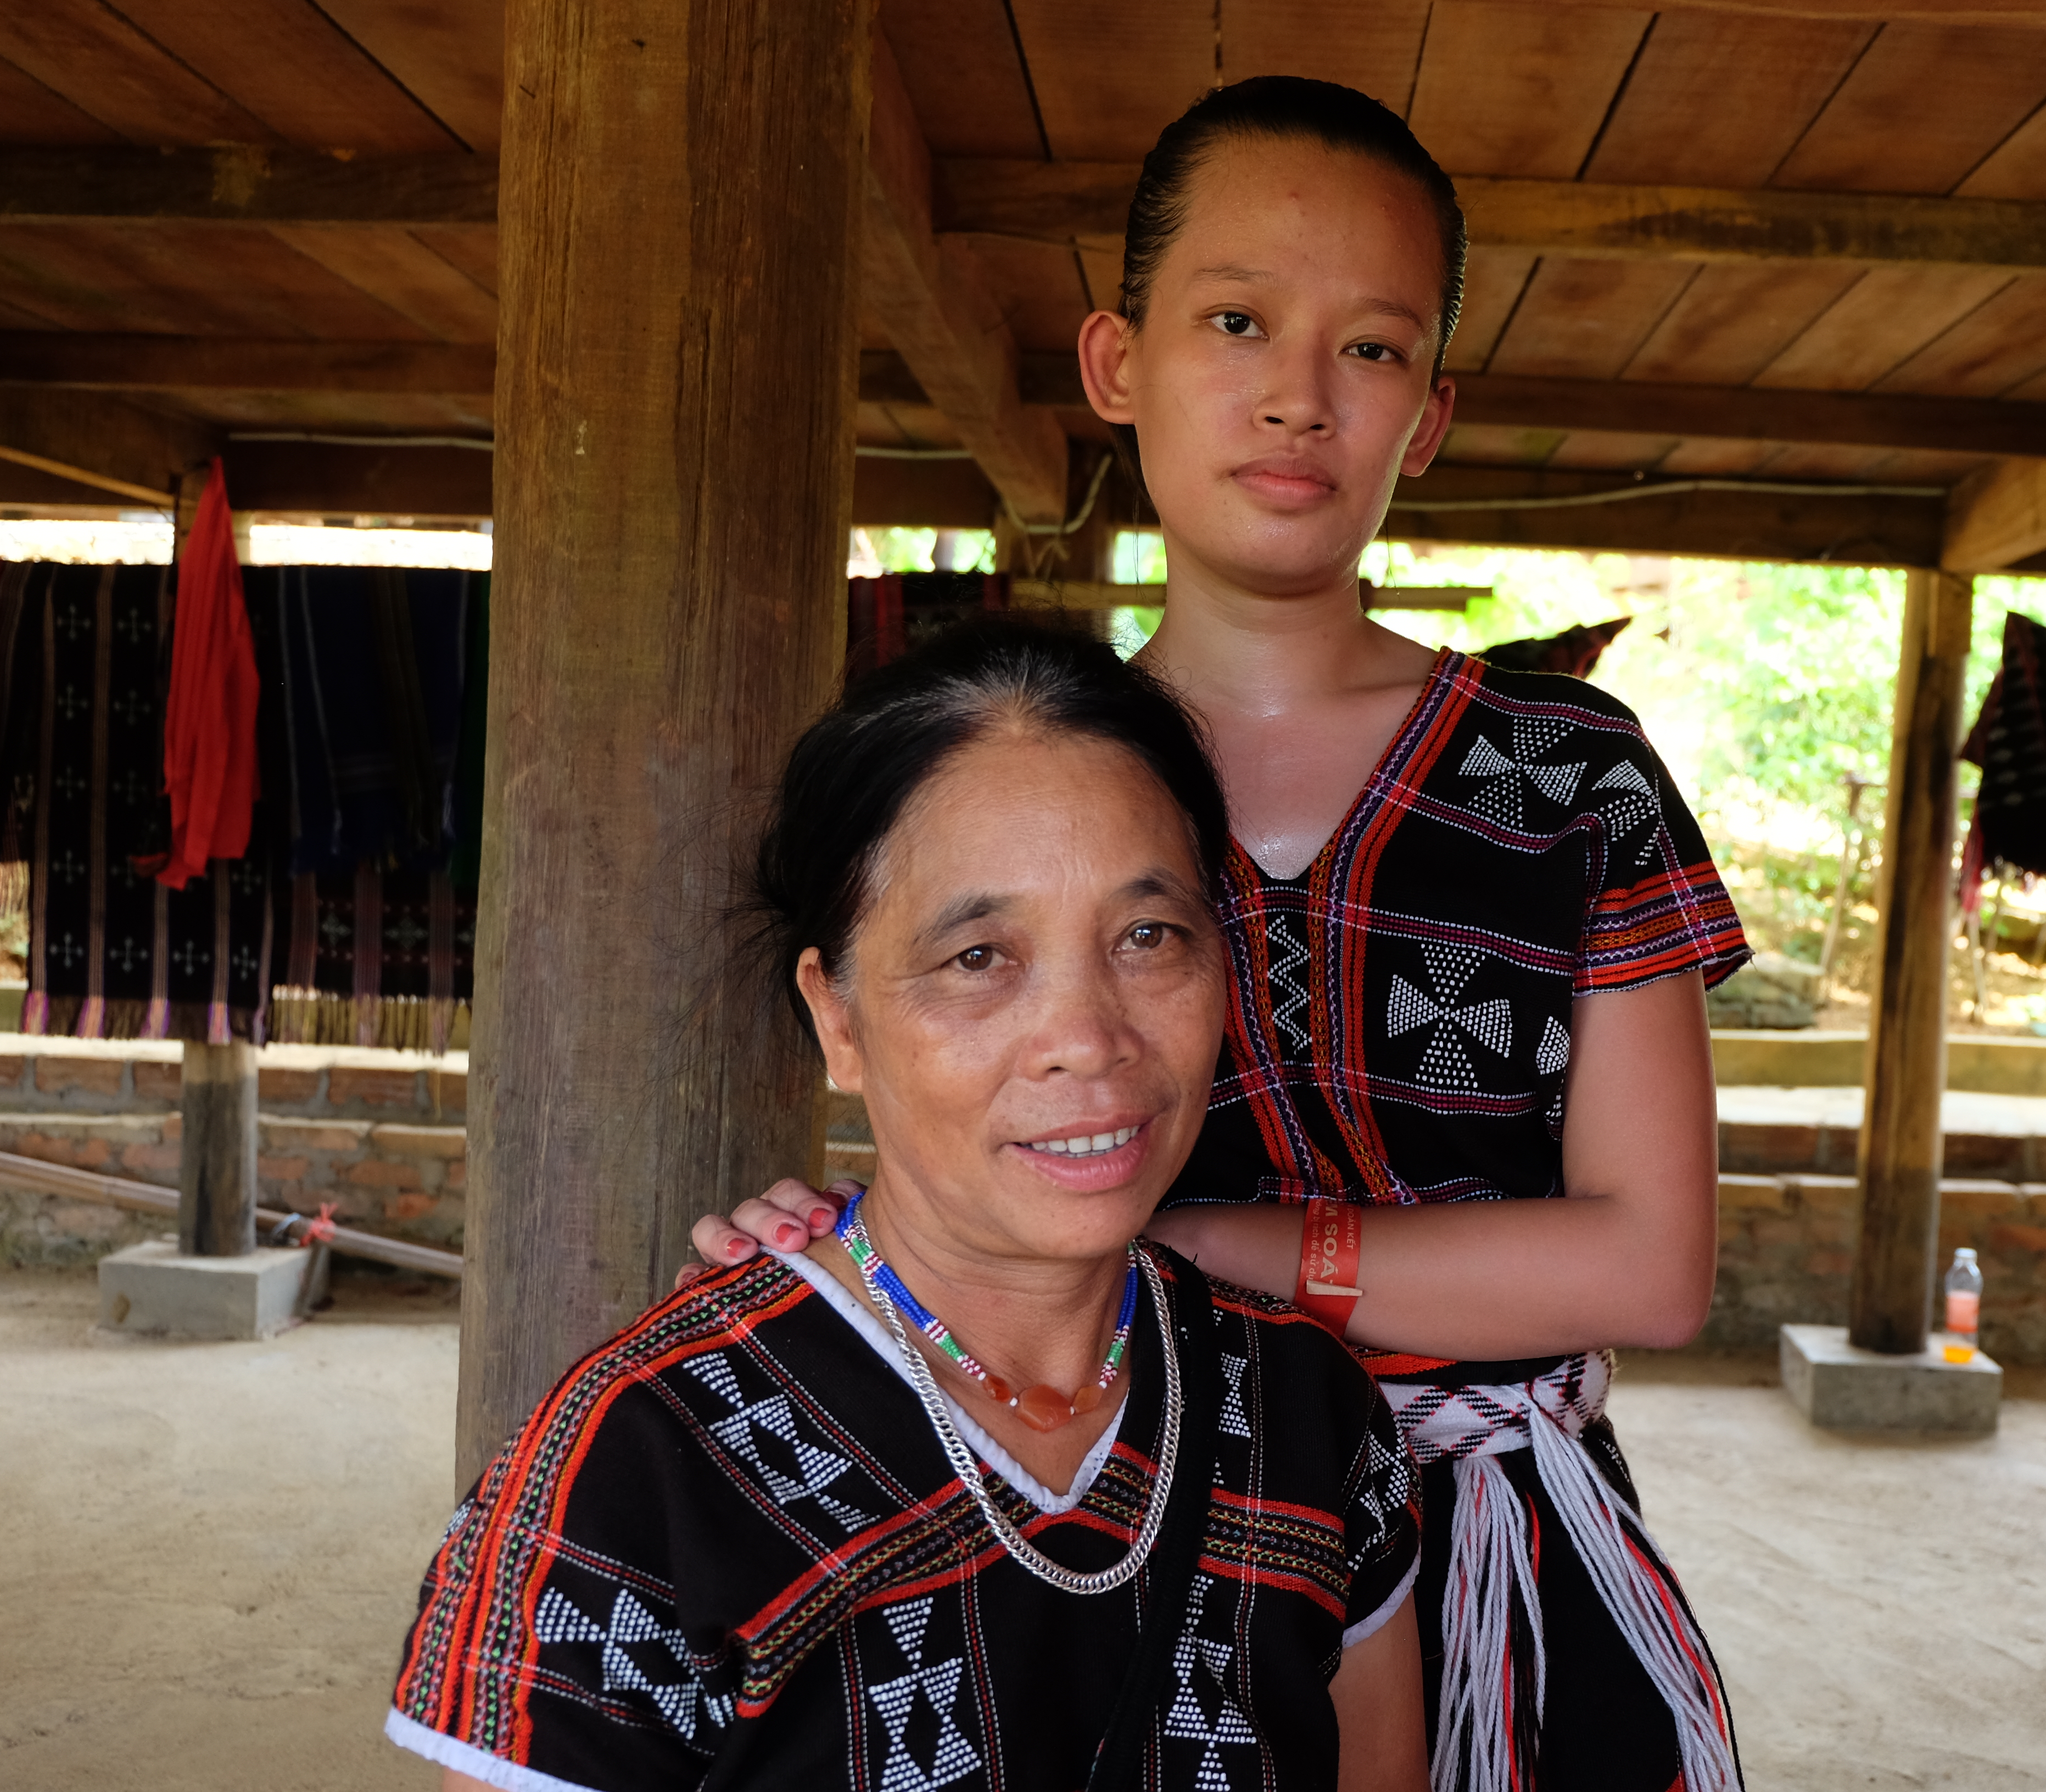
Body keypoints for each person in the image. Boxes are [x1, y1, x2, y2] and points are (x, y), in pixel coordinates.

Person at [702, 77, 1748, 1792]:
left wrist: (1216, 1247)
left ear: (1434, 408)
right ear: (1117, 362)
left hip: (1507, 1573)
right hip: (1124, 1528)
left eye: (1375, 349)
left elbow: (1651, 1262)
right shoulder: (1018, 771)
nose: (1297, 396)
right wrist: (845, 1248)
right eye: (1239, 320)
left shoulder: (1570, 777)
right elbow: (976, 1152)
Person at [394, 623, 1429, 1792]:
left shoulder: (1309, 1417)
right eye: (979, 957)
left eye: (1149, 936)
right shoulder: (637, 1469)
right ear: (837, 1017)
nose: (1088, 1041)